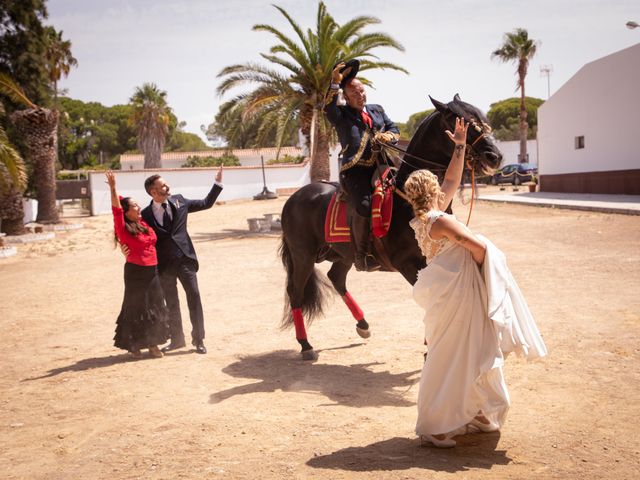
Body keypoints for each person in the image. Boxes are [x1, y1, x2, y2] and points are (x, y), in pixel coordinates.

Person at [404, 117, 547, 448]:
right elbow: (478, 248)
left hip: (448, 290)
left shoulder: (424, 216)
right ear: (433, 191)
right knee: (455, 355)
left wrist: (459, 145)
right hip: (459, 295)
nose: (445, 186)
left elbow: (453, 177)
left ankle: (478, 412)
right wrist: (490, 279)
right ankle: (436, 426)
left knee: (467, 352)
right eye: (438, 185)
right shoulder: (440, 220)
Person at [324, 60, 400, 271]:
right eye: (354, 93)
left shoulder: (377, 110)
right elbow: (328, 108)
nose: (360, 96)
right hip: (355, 171)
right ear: (346, 98)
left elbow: (394, 128)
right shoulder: (341, 114)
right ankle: (361, 256)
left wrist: (389, 136)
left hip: (382, 165)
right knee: (365, 206)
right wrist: (334, 84)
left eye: (362, 91)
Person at [140, 167, 223, 354]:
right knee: (171, 303)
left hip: (185, 260)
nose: (167, 187)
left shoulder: (180, 201)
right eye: (163, 185)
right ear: (154, 191)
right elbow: (139, 236)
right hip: (164, 266)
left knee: (194, 297)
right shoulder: (145, 215)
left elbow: (206, 203)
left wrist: (217, 184)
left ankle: (199, 339)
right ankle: (177, 339)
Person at [105, 171, 170, 359]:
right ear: (126, 212)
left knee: (155, 306)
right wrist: (113, 188)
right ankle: (134, 345)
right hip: (135, 273)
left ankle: (154, 344)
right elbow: (117, 209)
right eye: (134, 206)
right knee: (136, 308)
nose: (138, 207)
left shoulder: (143, 223)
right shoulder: (123, 228)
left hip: (153, 271)